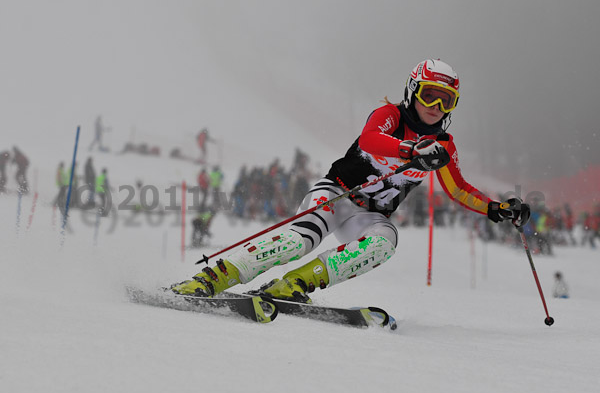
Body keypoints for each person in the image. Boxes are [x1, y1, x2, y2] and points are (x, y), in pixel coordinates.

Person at [171, 59, 531, 302]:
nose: (435, 106)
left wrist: (497, 208)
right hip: (335, 194)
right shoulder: (390, 114)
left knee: (384, 242)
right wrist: (410, 150)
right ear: (413, 91)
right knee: (299, 241)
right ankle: (214, 277)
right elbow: (370, 140)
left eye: (446, 100)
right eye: (429, 95)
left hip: (369, 214)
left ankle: (294, 284)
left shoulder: (444, 147)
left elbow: (459, 190)